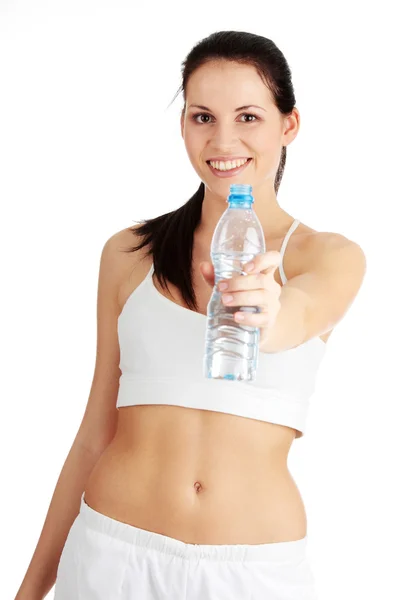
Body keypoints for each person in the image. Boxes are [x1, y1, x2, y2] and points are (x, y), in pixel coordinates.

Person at [15, 30, 366, 600]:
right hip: (111, 556)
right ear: (183, 125)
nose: (223, 138)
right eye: (203, 117)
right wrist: (30, 591)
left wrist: (266, 314)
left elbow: (298, 316)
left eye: (248, 116)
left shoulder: (327, 256)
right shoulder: (129, 253)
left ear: (289, 125)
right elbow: (93, 435)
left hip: (253, 575)